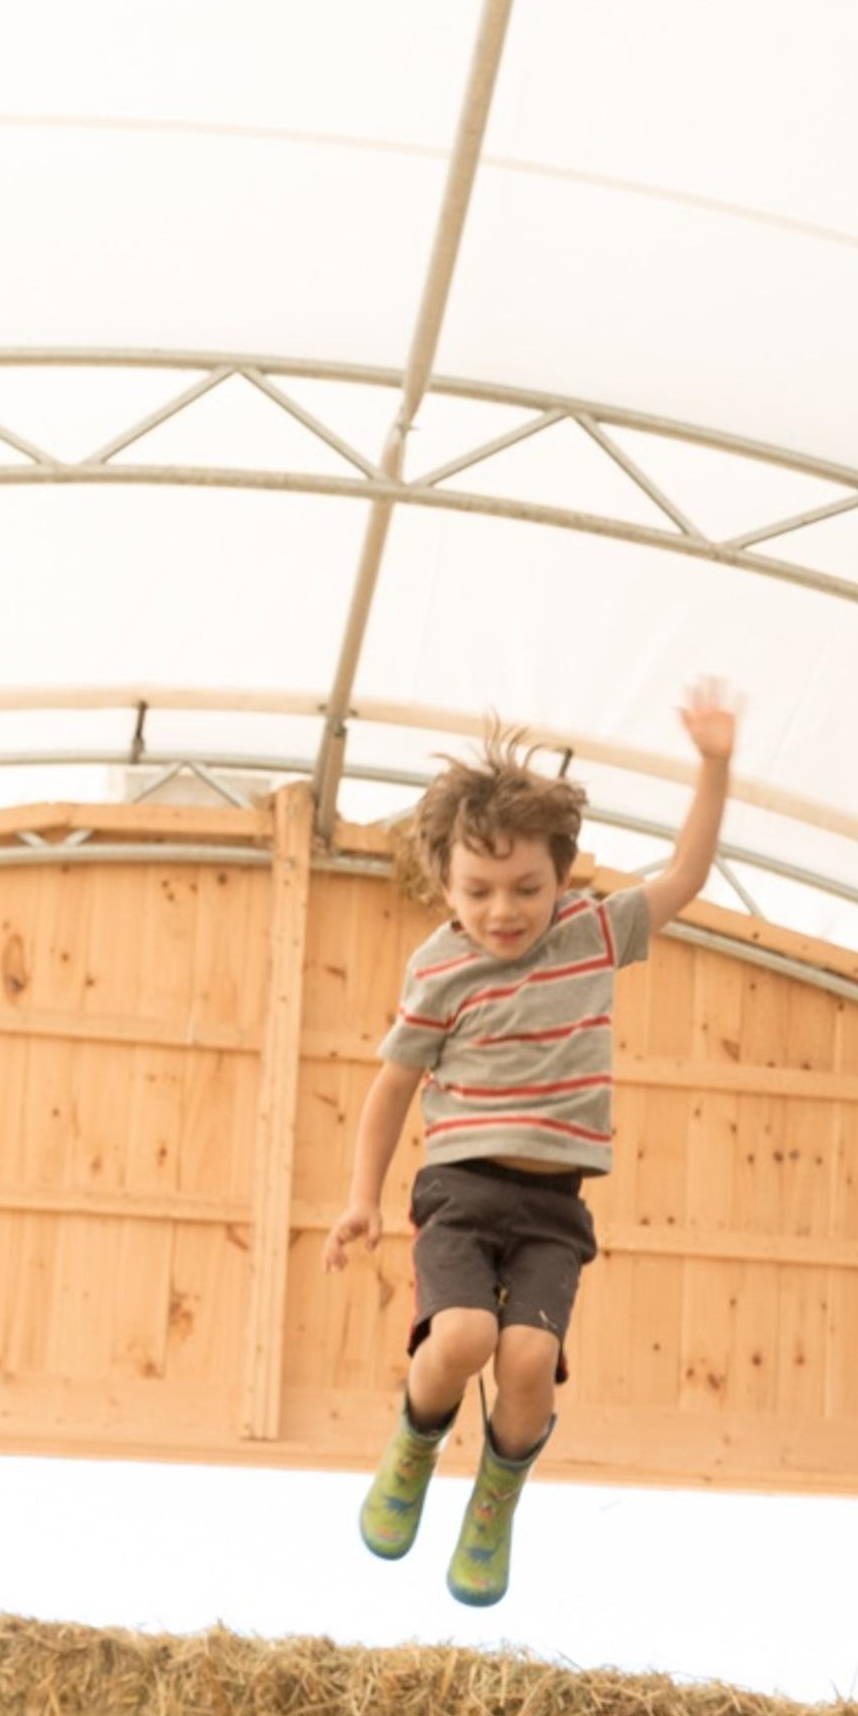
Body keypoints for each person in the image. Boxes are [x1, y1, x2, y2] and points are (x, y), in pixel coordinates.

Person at [326, 683, 738, 1604]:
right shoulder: (438, 965)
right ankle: (416, 1439)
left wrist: (713, 764)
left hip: (556, 1205)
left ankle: (495, 1502)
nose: (502, 910)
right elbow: (393, 1084)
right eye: (478, 891)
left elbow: (689, 873)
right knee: (465, 1334)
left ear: (565, 874)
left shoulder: (596, 933)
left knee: (524, 1365)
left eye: (526, 889)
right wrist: (361, 1197)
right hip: (461, 1191)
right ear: (445, 884)